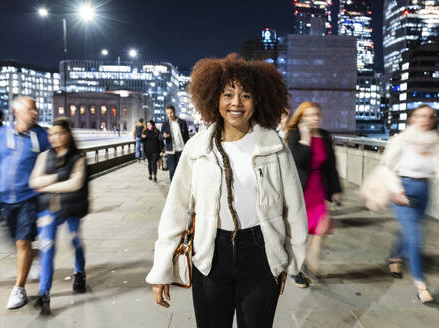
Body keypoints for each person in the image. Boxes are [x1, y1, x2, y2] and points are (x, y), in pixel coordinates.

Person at [146, 54, 308, 328]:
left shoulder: (275, 148)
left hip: (261, 252)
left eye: (246, 95)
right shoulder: (197, 149)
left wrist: (287, 262)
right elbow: (176, 211)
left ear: (258, 100)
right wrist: (162, 268)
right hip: (210, 254)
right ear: (213, 98)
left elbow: (294, 209)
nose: (236, 103)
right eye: (228, 94)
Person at [379, 104, 439, 305]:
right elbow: (386, 167)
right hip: (402, 190)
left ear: (433, 120)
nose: (424, 119)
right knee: (416, 238)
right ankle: (421, 286)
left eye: (428, 116)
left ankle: (394, 256)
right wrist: (396, 189)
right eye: (419, 116)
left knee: (408, 231)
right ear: (412, 119)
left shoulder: (437, 143)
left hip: (424, 190)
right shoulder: (401, 140)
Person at [29, 118, 89, 315]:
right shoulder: (44, 156)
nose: (54, 138)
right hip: (49, 209)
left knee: (75, 241)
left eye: (58, 133)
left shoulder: (78, 157)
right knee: (47, 248)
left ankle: (79, 272)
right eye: (51, 134)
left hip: (71, 207)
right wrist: (58, 177)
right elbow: (33, 181)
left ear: (68, 135)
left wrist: (45, 186)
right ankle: (44, 294)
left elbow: (75, 184)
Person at [0, 96, 50, 309]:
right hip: (3, 199)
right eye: (31, 109)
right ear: (17, 112)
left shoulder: (42, 137)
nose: (35, 113)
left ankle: (19, 288)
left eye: (36, 109)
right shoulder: (2, 135)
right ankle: (36, 257)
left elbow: (54, 161)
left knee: (22, 242)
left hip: (28, 199)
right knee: (16, 243)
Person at [286, 101, 342, 288]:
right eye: (309, 115)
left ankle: (310, 263)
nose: (314, 118)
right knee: (300, 235)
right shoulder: (294, 135)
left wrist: (335, 190)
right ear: (301, 118)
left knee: (320, 229)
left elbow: (331, 166)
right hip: (301, 191)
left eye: (316, 114)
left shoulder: (325, 136)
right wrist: (305, 138)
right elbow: (298, 162)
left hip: (319, 189)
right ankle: (295, 270)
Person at [161, 105, 189, 181]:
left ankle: (181, 187)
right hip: (170, 150)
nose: (170, 115)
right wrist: (163, 136)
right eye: (167, 113)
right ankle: (173, 187)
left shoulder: (182, 123)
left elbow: (187, 136)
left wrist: (188, 148)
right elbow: (160, 136)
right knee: (172, 169)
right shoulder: (165, 124)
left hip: (182, 150)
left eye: (171, 113)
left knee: (181, 170)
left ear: (174, 112)